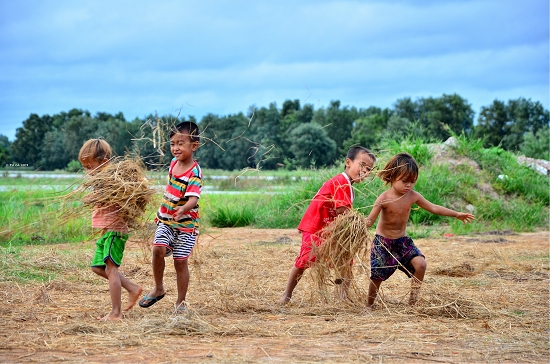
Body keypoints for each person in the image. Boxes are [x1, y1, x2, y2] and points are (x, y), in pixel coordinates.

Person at [365, 152, 475, 308]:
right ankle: (369, 305)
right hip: (383, 244)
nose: (408, 185)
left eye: (412, 182)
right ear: (392, 176)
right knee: (376, 276)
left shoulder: (413, 196)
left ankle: (412, 304)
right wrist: (355, 222)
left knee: (421, 264)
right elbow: (369, 221)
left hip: (402, 242)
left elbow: (434, 208)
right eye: (404, 181)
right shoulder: (384, 198)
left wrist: (456, 214)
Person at [280, 146, 376, 304]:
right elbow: (342, 211)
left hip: (330, 230)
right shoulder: (341, 182)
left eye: (369, 169)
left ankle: (342, 298)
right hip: (317, 228)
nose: (365, 171)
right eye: (362, 165)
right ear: (348, 162)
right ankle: (286, 295)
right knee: (305, 260)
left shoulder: (348, 185)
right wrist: (360, 222)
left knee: (345, 261)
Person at [139, 121, 202, 313]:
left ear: (194, 146)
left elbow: (193, 198)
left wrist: (183, 209)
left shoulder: (194, 172)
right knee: (158, 249)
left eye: (181, 143)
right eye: (173, 143)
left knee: (180, 262)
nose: (176, 148)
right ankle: (158, 288)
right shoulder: (173, 163)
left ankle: (180, 302)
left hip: (186, 226)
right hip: (166, 220)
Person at [79, 139, 143, 321]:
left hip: (115, 231)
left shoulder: (113, 181)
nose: (87, 171)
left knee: (111, 269)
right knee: (98, 268)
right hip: (107, 232)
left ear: (104, 162)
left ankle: (116, 313)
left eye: (90, 166)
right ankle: (132, 287)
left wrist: (93, 198)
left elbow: (113, 199)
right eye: (84, 167)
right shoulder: (102, 181)